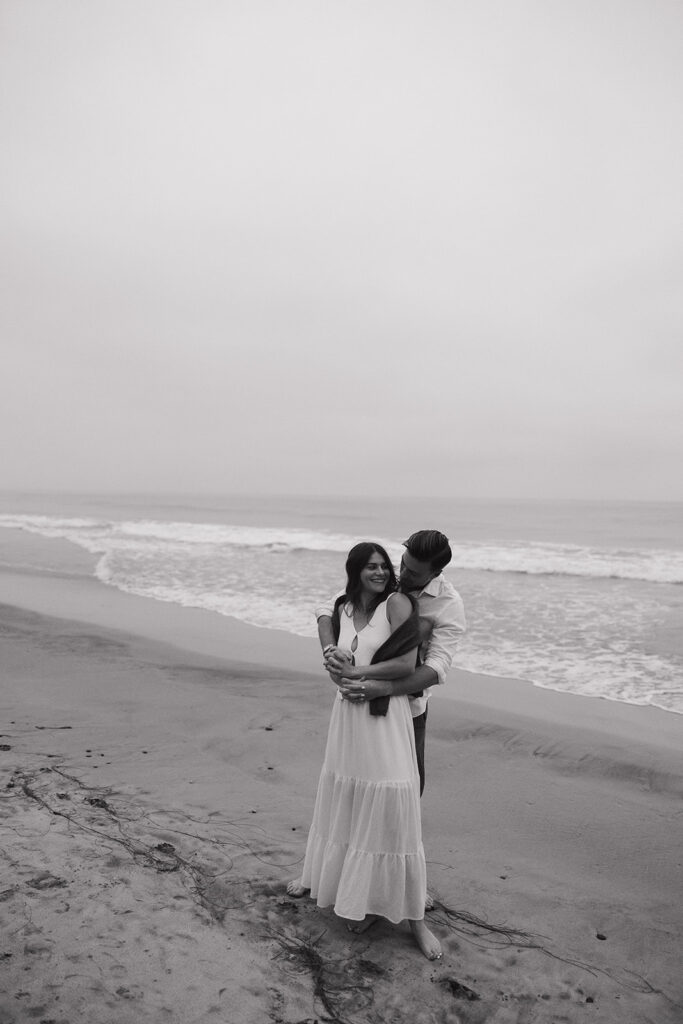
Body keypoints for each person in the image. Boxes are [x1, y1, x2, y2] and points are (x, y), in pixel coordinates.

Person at [287, 542, 442, 960]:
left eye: (383, 566)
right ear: (354, 571)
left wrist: (357, 671)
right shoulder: (343, 608)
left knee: (394, 802)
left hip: (384, 717)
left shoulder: (397, 604)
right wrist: (333, 658)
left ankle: (417, 922)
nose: (378, 571)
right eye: (369, 566)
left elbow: (407, 665)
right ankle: (351, 893)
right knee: (348, 800)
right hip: (347, 719)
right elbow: (326, 624)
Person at [317, 530, 466, 796]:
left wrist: (383, 688)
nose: (404, 576)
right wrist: (330, 651)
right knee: (353, 773)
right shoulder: (385, 580)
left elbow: (437, 667)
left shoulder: (448, 604)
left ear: (436, 572)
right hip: (355, 701)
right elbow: (327, 610)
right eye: (403, 564)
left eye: (415, 573)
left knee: (404, 784)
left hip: (407, 706)